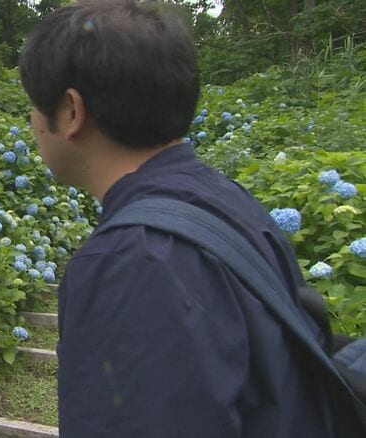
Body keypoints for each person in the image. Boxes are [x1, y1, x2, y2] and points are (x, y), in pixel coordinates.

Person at [19, 1, 359, 436]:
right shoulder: (226, 199)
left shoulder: (132, 262)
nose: (32, 122)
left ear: (71, 111)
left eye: (33, 105)